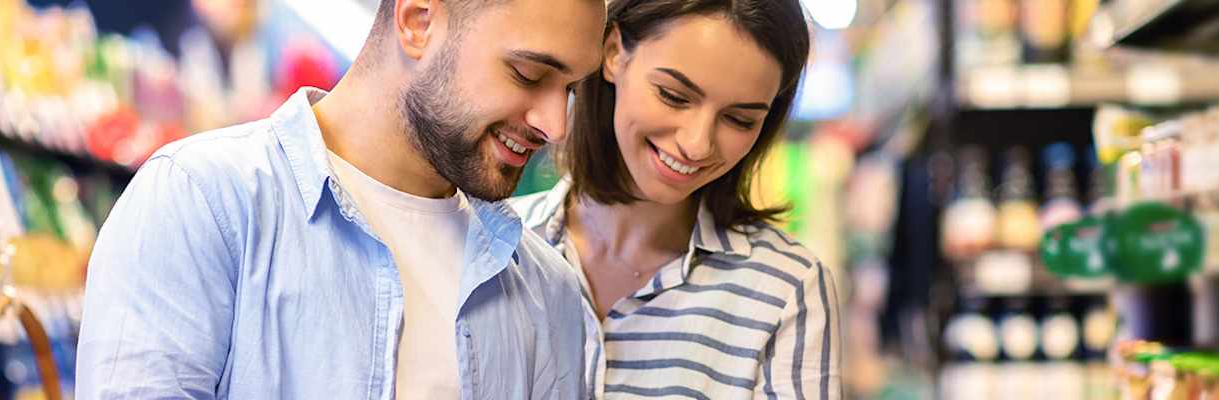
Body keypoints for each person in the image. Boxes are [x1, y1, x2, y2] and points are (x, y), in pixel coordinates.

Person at [76, 0, 606, 398]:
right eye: (529, 75)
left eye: (571, 90)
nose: (555, 125)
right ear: (418, 20)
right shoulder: (204, 203)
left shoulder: (546, 292)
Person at [506, 0, 841, 398]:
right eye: (674, 96)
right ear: (613, 54)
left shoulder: (787, 289)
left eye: (739, 119)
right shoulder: (497, 246)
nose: (697, 145)